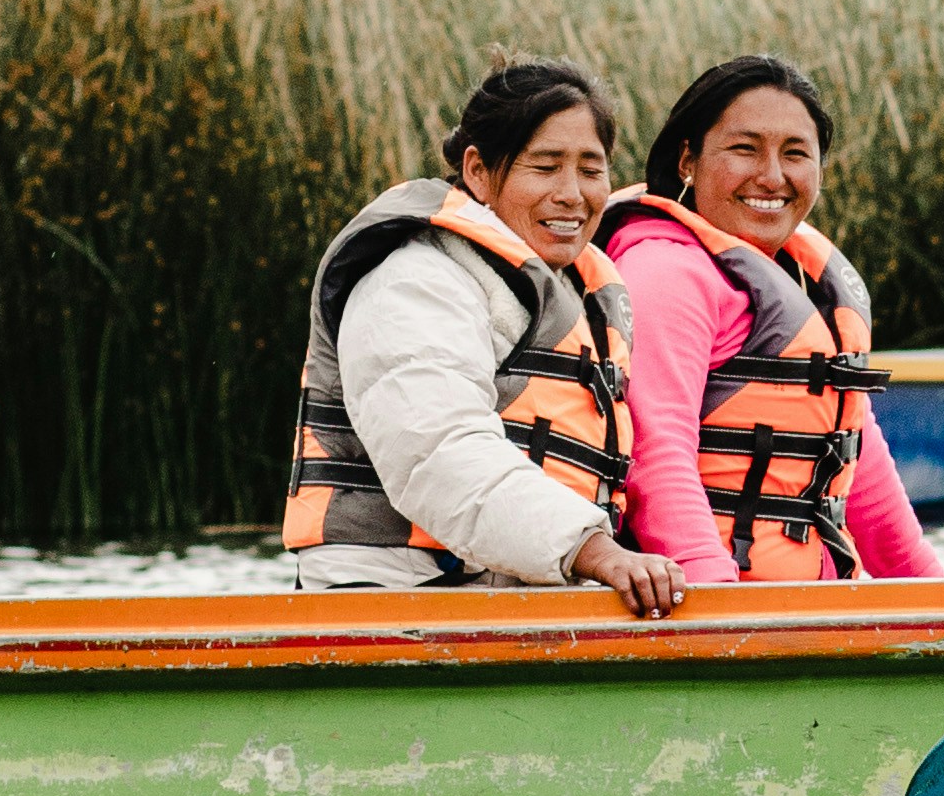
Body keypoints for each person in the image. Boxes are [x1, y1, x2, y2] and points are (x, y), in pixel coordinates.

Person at [283, 58, 687, 612]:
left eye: (591, 169)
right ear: (477, 171)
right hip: (393, 602)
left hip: (514, 599)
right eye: (545, 167)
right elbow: (439, 456)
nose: (573, 193)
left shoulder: (585, 297)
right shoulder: (412, 282)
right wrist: (599, 553)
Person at [604, 56, 942, 582]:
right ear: (687, 159)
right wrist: (718, 603)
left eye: (796, 154)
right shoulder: (664, 271)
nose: (772, 176)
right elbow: (655, 453)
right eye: (745, 149)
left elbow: (867, 486)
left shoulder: (808, 290)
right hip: (710, 605)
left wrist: (937, 599)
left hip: (806, 602)